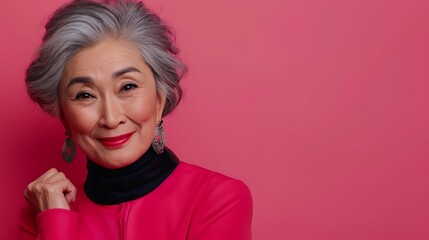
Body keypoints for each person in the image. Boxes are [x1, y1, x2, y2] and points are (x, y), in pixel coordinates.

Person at [18, 0, 253, 239]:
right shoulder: (45, 213)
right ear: (65, 118)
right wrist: (55, 223)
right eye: (85, 95)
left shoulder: (218, 198)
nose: (111, 118)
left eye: (127, 86)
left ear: (160, 99)